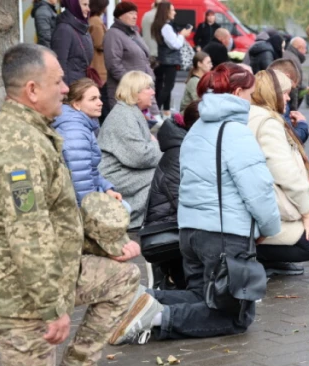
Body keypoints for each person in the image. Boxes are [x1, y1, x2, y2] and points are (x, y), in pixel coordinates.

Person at [0, 43, 141, 366]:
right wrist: (53, 308)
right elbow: (27, 233)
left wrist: (102, 248)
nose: (66, 88)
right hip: (17, 294)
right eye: (59, 81)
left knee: (122, 278)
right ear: (32, 90)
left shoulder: (34, 132)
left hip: (51, 274)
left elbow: (59, 216)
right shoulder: (19, 146)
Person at [109, 63, 281, 345]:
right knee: (235, 316)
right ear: (238, 93)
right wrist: (269, 226)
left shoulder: (197, 129)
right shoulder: (236, 133)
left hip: (191, 232)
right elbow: (258, 190)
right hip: (225, 234)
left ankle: (141, 300)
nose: (252, 100)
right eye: (250, 93)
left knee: (200, 295)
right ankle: (155, 318)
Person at [248, 70, 309, 274]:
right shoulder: (268, 123)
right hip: (265, 207)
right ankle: (257, 256)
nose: (289, 98)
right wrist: (308, 217)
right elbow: (284, 173)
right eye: (285, 93)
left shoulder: (258, 115)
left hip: (264, 202)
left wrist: (306, 177)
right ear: (272, 94)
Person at [143, 102, 201, 290]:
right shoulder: (179, 153)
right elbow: (181, 199)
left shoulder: (186, 146)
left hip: (178, 223)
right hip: (169, 229)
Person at [99, 71, 162, 229]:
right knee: (162, 173)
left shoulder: (129, 111)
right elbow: (139, 156)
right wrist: (159, 146)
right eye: (148, 88)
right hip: (114, 175)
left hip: (121, 170)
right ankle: (130, 218)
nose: (153, 92)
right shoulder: (123, 115)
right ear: (136, 92)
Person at [52, 78, 120, 206]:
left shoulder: (83, 124)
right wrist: (93, 213)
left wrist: (107, 188)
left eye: (99, 98)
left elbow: (90, 170)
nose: (100, 103)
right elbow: (80, 183)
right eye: (93, 99)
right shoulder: (75, 131)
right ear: (76, 104)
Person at [103, 1, 157, 111]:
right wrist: (133, 83)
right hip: (126, 93)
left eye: (136, 14)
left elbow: (144, 59)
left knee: (150, 123)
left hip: (143, 90)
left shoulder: (134, 33)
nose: (135, 16)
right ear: (120, 15)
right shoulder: (113, 34)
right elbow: (113, 65)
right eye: (131, 13)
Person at [152, 1, 192, 117]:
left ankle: (165, 111)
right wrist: (182, 35)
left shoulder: (163, 26)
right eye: (173, 10)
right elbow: (175, 44)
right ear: (166, 12)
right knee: (167, 87)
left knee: (165, 88)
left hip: (165, 60)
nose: (175, 12)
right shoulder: (166, 27)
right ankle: (155, 113)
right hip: (168, 61)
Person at [51, 0, 94, 86]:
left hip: (81, 85)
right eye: (84, 5)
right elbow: (60, 63)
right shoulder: (64, 29)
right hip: (71, 87)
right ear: (74, 5)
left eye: (88, 5)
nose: (88, 9)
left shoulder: (83, 28)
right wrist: (65, 90)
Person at [268, 59, 309, 143]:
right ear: (286, 77)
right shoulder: (278, 103)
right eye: (290, 89)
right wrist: (302, 124)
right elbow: (290, 139)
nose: (289, 97)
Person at [88, 0, 109, 118]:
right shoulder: (96, 21)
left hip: (96, 62)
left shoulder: (93, 20)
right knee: (103, 98)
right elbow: (100, 43)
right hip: (99, 64)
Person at [283, 37, 308, 111]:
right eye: (305, 48)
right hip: (288, 99)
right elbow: (294, 86)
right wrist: (294, 109)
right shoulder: (293, 60)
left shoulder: (288, 55)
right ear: (300, 48)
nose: (306, 51)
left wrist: (304, 87)